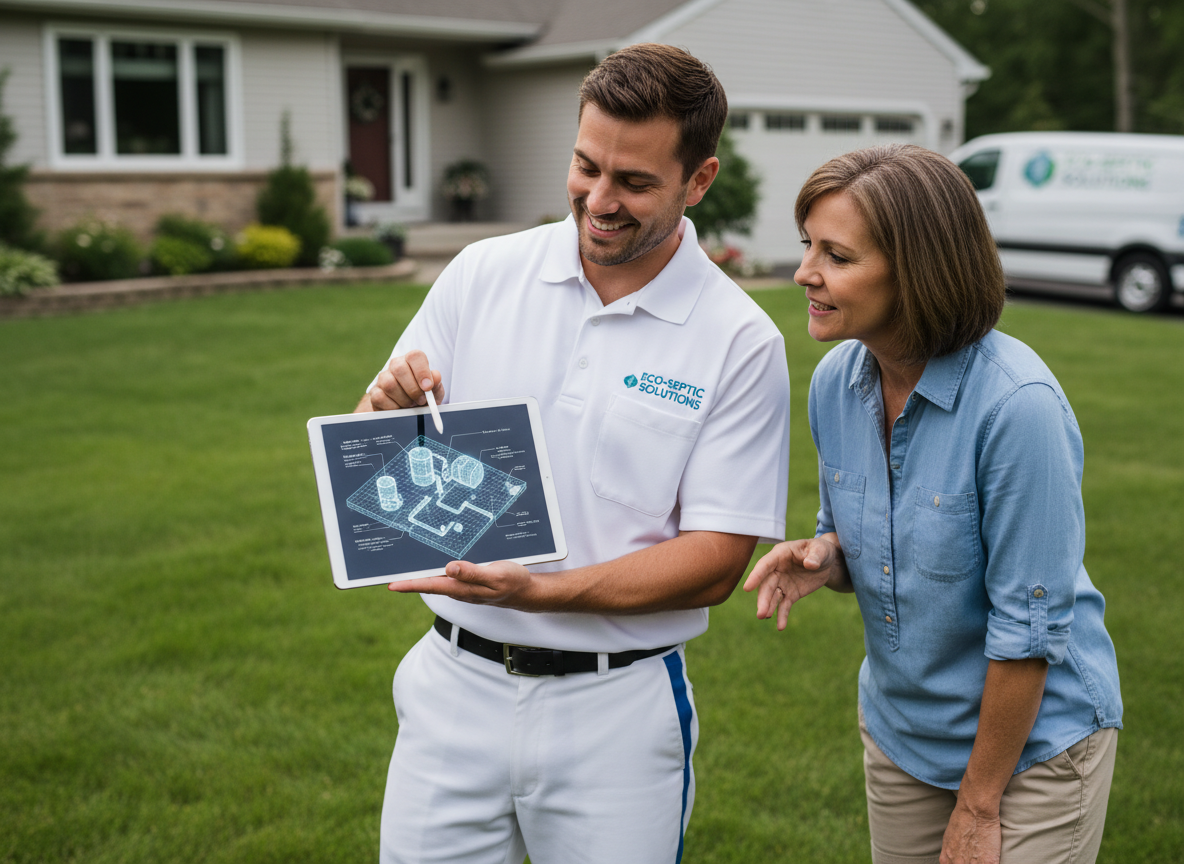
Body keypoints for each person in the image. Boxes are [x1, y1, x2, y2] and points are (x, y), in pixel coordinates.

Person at [357, 44, 791, 864]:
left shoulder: (740, 340)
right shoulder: (482, 273)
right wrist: (381, 417)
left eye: (634, 182)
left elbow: (715, 562)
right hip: (451, 691)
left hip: (616, 712)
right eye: (586, 166)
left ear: (699, 181)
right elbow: (377, 465)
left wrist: (543, 593)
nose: (599, 200)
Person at [744, 144, 1122, 864]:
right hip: (900, 736)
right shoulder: (834, 383)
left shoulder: (1019, 408)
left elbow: (1030, 628)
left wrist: (979, 806)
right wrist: (825, 556)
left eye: (837, 255)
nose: (804, 274)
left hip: (1036, 750)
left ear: (917, 270)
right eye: (807, 246)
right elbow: (856, 530)